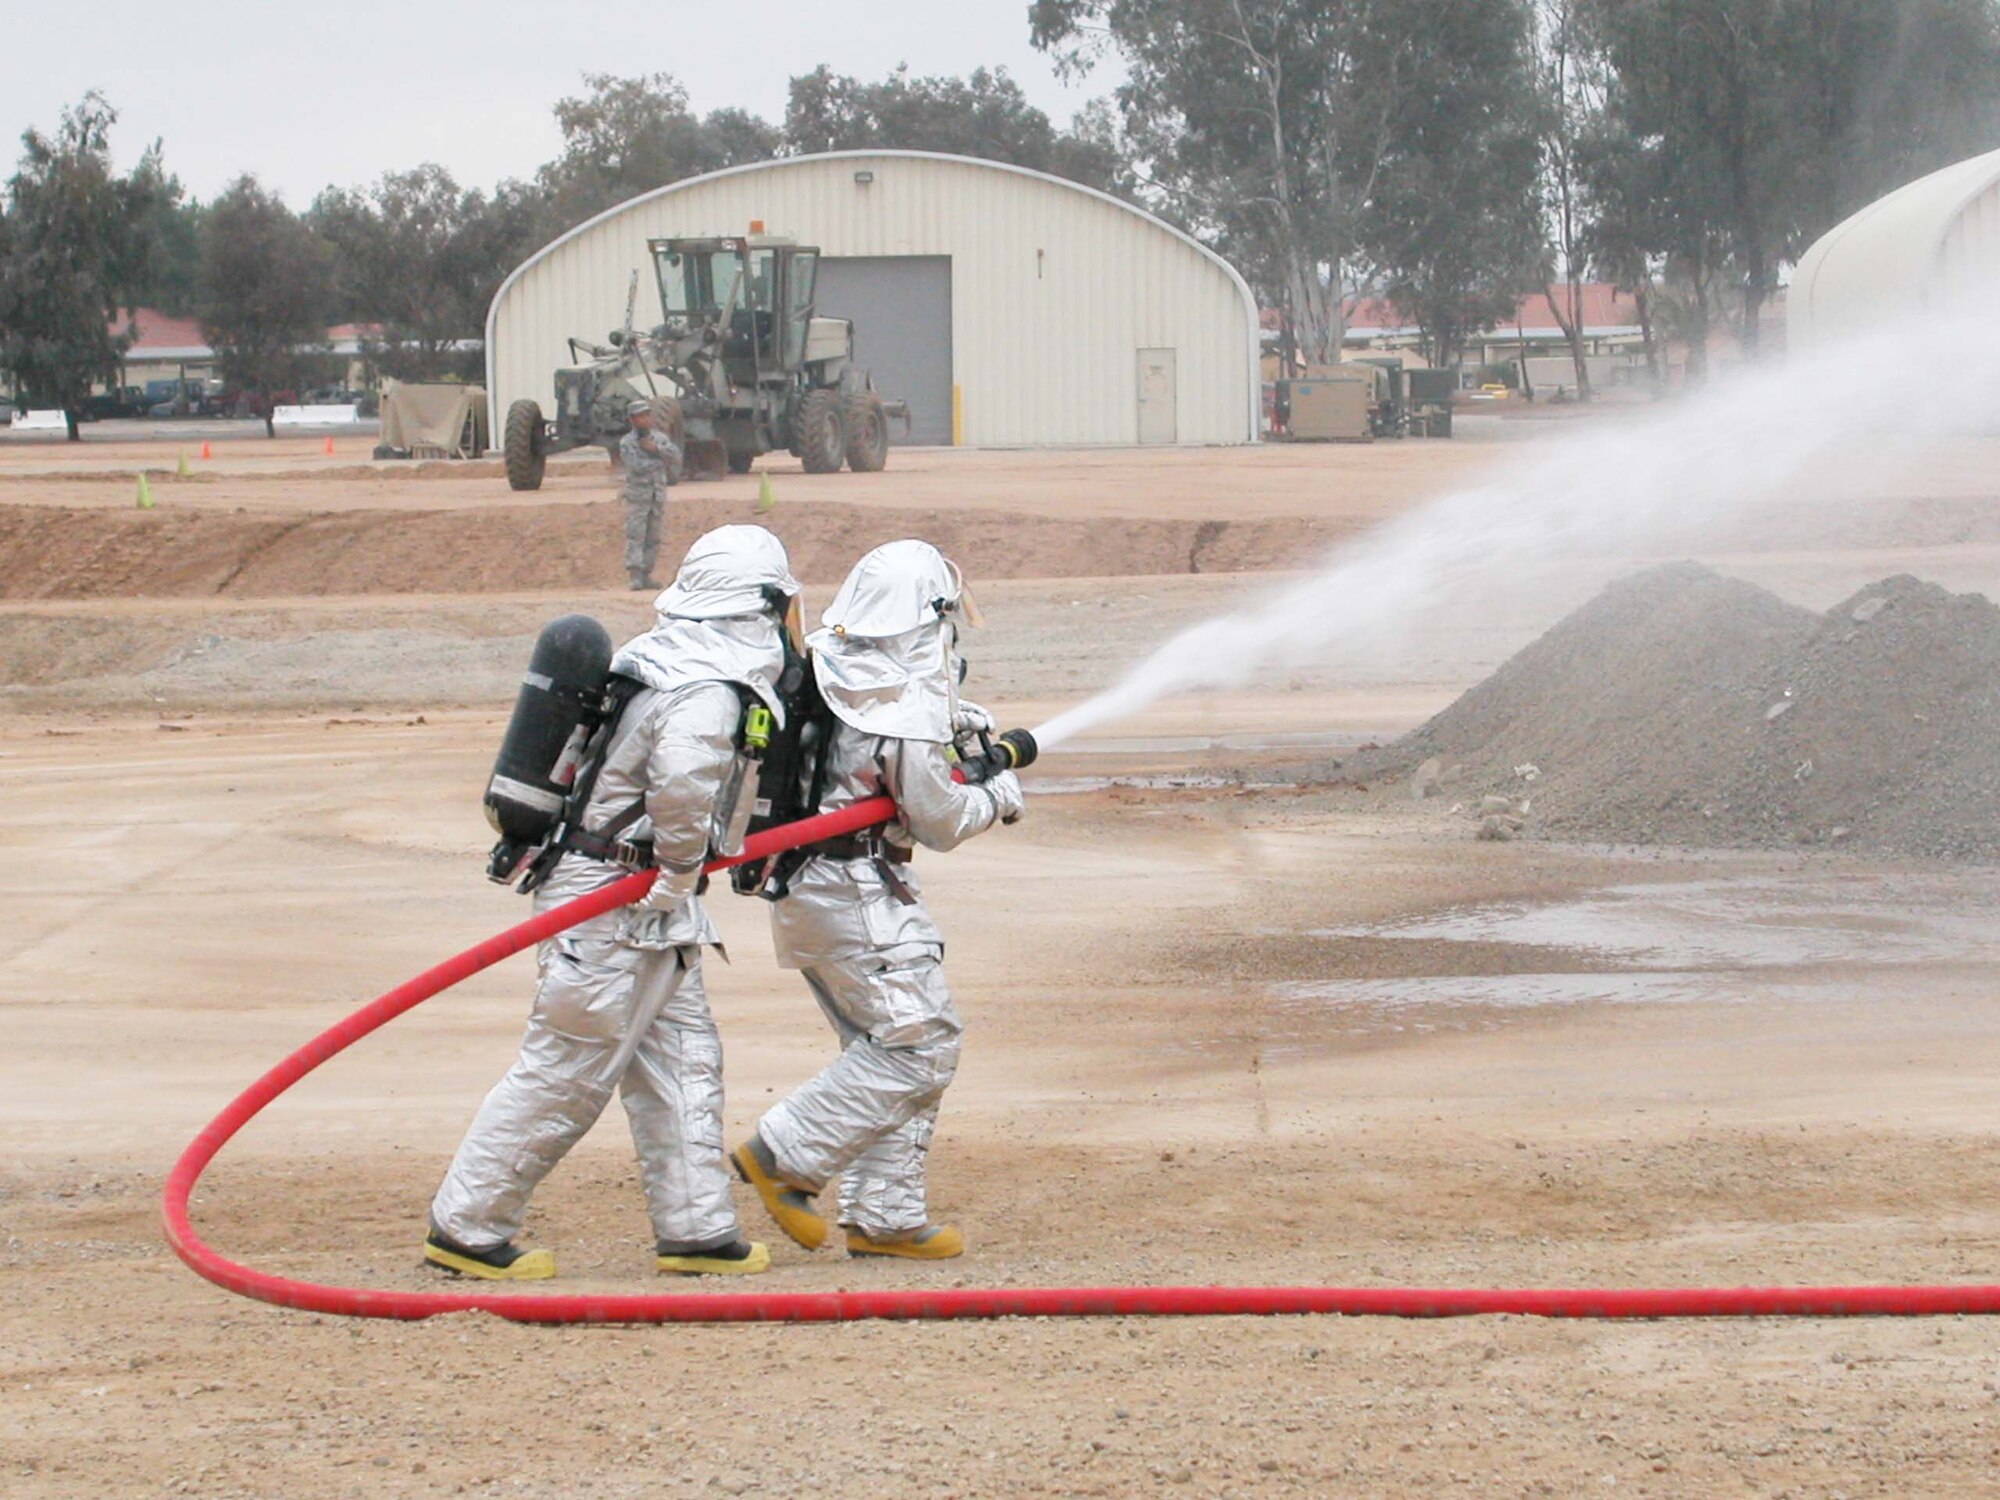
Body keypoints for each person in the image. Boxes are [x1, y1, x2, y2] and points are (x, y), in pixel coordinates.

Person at [425, 525, 801, 1280]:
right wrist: (672, 879)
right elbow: (686, 787)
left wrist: (671, 889)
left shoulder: (662, 658)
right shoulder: (704, 687)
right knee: (567, 1067)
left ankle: (697, 1229)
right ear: (757, 608)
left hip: (641, 901)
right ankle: (466, 1226)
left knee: (684, 1063)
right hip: (616, 898)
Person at [732, 540, 1024, 1261]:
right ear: (929, 614)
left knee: (887, 1045)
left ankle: (886, 1217)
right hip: (858, 891)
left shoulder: (835, 661)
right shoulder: (899, 698)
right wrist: (997, 796)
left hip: (812, 889)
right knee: (922, 1046)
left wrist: (952, 727)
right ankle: (783, 1156)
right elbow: (938, 819)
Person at [620, 399, 682, 592]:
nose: (644, 420)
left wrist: (656, 450)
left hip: (657, 494)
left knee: (653, 536)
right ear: (632, 420)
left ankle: (647, 574)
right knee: (636, 534)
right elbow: (636, 467)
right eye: (640, 417)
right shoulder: (627, 443)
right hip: (639, 495)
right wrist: (659, 461)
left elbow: (676, 455)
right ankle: (635, 575)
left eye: (647, 416)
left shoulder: (659, 439)